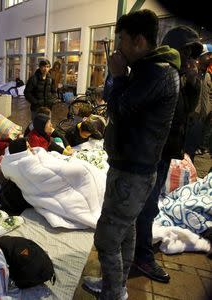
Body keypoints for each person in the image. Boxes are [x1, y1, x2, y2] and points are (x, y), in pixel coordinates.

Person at [82, 9, 180, 299]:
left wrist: (116, 76)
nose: (118, 47)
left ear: (138, 40)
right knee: (125, 231)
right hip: (133, 167)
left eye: (121, 39)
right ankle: (118, 286)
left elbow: (119, 109)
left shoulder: (156, 73)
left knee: (107, 237)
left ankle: (113, 293)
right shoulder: (152, 69)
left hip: (133, 172)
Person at [133, 26, 203, 284]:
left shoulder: (178, 77)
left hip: (162, 155)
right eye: (188, 53)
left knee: (148, 207)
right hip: (149, 156)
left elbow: (187, 111)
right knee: (146, 207)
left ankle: (137, 252)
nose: (192, 60)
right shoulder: (162, 75)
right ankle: (140, 256)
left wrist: (194, 83)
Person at [185, 43, 212, 158]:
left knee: (192, 151)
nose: (210, 57)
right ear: (201, 56)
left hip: (203, 119)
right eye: (208, 55)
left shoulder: (207, 75)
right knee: (187, 150)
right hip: (192, 118)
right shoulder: (192, 72)